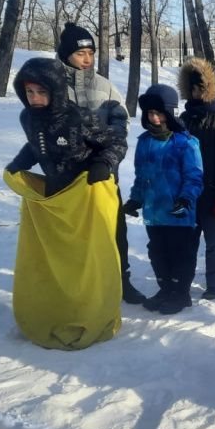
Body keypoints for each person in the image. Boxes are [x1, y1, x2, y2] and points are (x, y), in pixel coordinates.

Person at [54, 22, 146, 305]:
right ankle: (77, 288)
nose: (87, 58)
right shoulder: (52, 88)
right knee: (72, 238)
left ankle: (122, 281)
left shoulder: (104, 87)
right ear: (66, 54)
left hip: (104, 178)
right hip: (67, 181)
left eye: (90, 52)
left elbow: (121, 126)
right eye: (80, 53)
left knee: (113, 231)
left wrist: (106, 161)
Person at [123, 84, 204, 315]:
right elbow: (142, 176)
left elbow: (194, 177)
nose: (154, 118)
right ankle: (166, 288)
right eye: (150, 113)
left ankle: (181, 293)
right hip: (154, 212)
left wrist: (186, 199)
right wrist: (135, 199)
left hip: (179, 213)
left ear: (170, 113)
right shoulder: (144, 141)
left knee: (180, 253)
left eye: (159, 113)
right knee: (157, 253)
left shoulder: (186, 142)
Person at [5, 57, 121, 197]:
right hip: (56, 189)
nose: (34, 98)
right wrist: (21, 161)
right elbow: (37, 143)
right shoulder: (28, 118)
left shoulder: (79, 118)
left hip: (90, 188)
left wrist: (104, 163)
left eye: (42, 92)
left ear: (55, 90)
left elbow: (116, 142)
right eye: (29, 91)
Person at [178, 57, 215, 300]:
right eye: (192, 88)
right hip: (188, 193)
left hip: (212, 192)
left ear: (213, 89)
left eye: (200, 88)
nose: (195, 93)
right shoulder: (184, 119)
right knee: (187, 241)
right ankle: (181, 280)